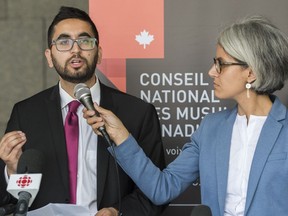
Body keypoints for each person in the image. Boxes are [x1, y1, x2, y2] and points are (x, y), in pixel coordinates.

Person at [83, 15, 288, 216]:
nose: (211, 72)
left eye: (221, 64)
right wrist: (121, 137)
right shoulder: (211, 128)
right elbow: (162, 189)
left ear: (250, 73)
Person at [0, 6, 166, 216]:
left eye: (85, 41)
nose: (75, 50)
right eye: (64, 42)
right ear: (49, 57)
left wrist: (117, 212)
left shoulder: (138, 113)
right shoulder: (25, 114)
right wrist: (12, 171)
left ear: (98, 54)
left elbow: (157, 192)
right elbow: (8, 200)